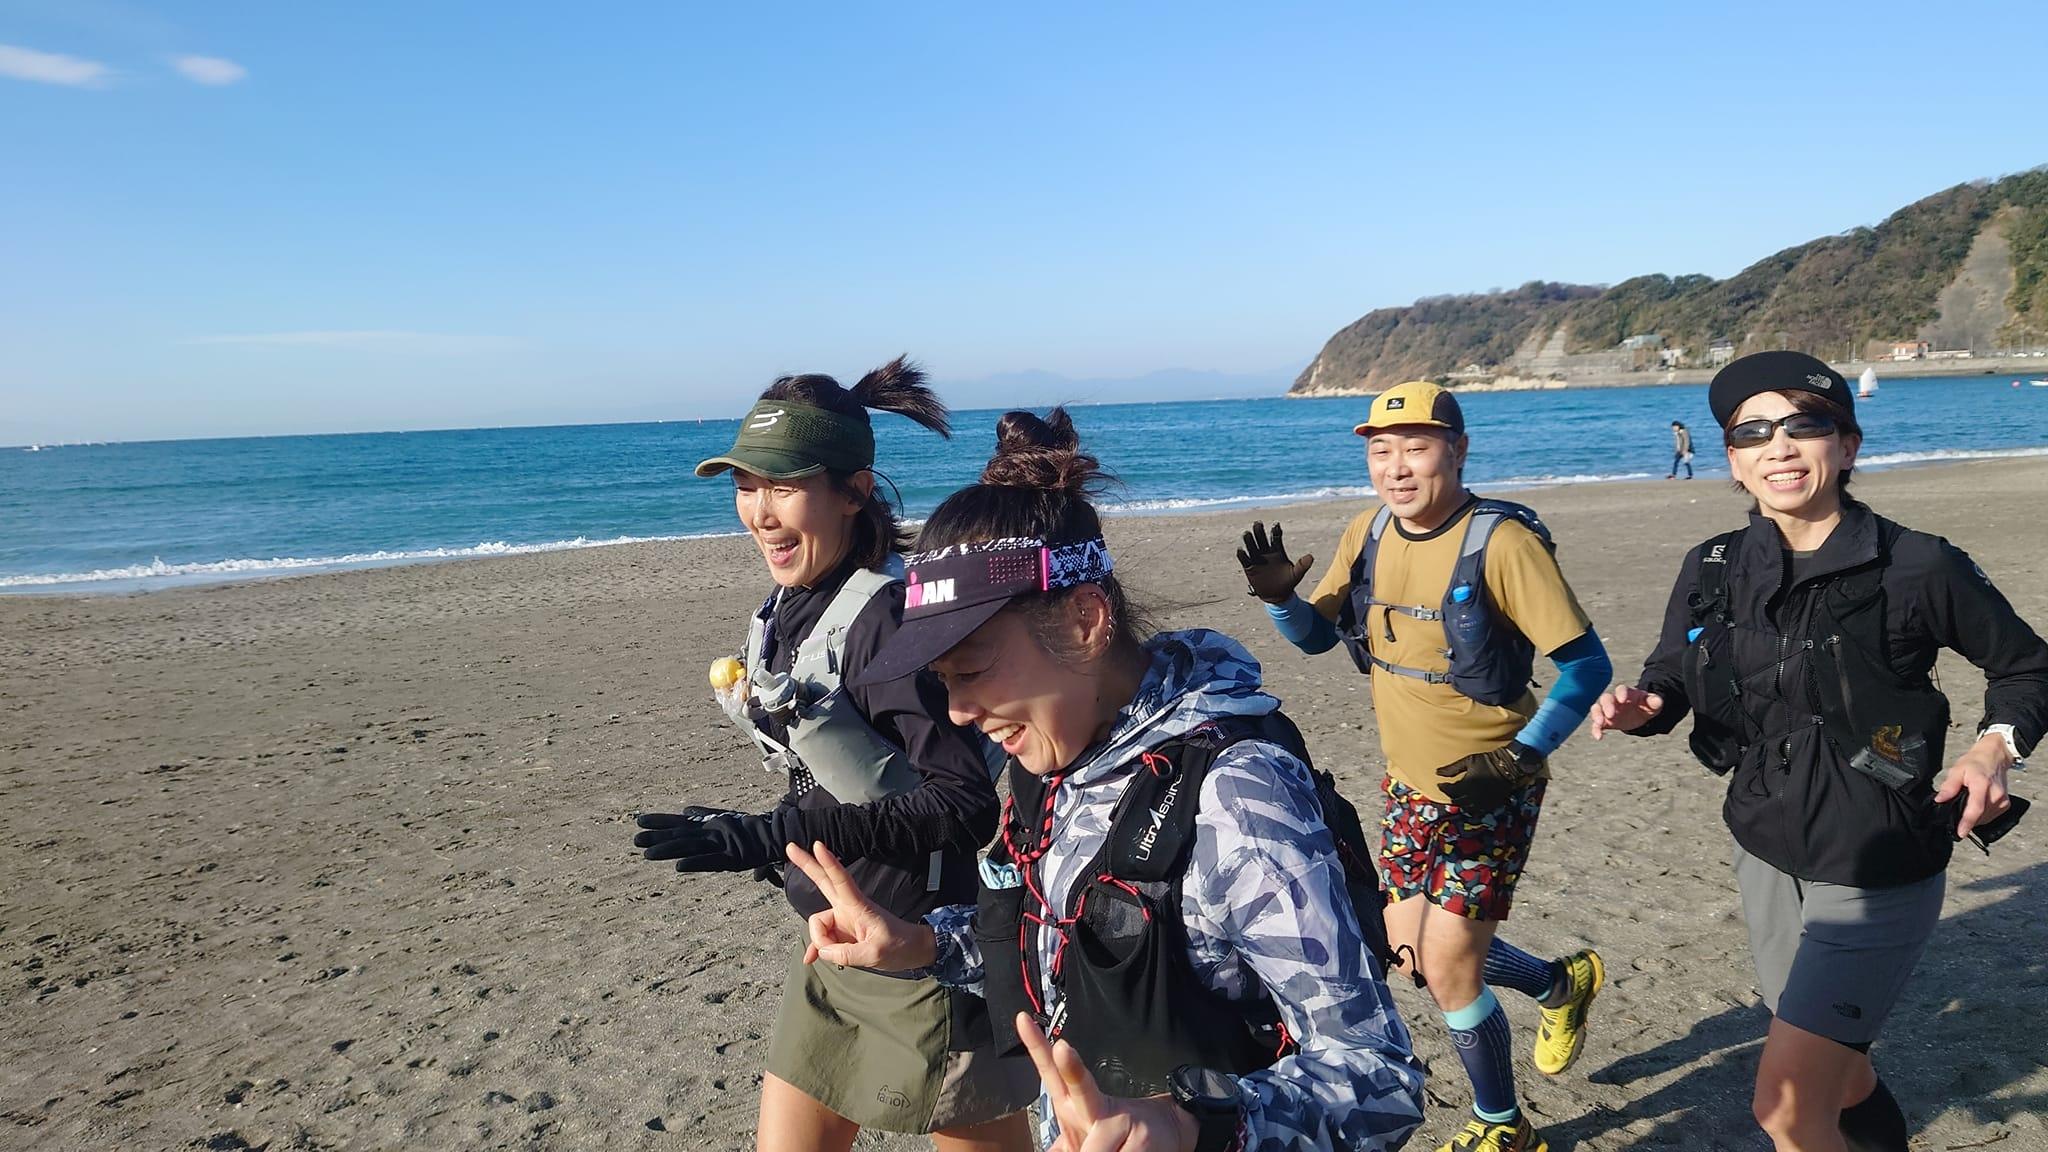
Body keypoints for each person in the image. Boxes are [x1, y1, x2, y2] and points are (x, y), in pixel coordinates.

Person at [785, 409, 1427, 1152]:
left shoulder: (1237, 798)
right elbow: (1062, 944)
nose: (957, 711)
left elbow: (1380, 1078)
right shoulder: (1052, 762)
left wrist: (1187, 1123)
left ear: (1086, 621)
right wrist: (920, 944)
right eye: (942, 680)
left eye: (973, 670)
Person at [1591, 351, 2048, 1152]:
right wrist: (1645, 704)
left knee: (1787, 1108)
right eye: (1753, 433)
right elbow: (1673, 669)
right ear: (1733, 460)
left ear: (1847, 445)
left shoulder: (1916, 563)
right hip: (1763, 844)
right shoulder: (1713, 566)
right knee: (1844, 1070)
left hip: (1875, 855)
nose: (1779, 446)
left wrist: (1993, 748)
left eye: (1804, 426)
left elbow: (2026, 667)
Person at [630, 358, 1035, 1152]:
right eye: (745, 485)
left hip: (921, 958)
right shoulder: (789, 606)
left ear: (855, 491)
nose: (759, 512)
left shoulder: (886, 620)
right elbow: (846, 773)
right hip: (830, 945)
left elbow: (963, 805)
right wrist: (770, 839)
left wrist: (774, 833)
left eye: (783, 487)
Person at [1239, 380, 1614, 1152]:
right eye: (1382, 451)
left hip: (1493, 787)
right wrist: (1280, 600)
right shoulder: (1369, 531)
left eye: (1416, 447)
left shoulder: (1501, 543)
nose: (1397, 467)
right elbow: (1316, 638)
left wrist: (1520, 756)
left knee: (1450, 970)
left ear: (1458, 450)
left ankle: (1503, 1127)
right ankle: (1558, 982)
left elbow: (1586, 667)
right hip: (1409, 785)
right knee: (1409, 955)